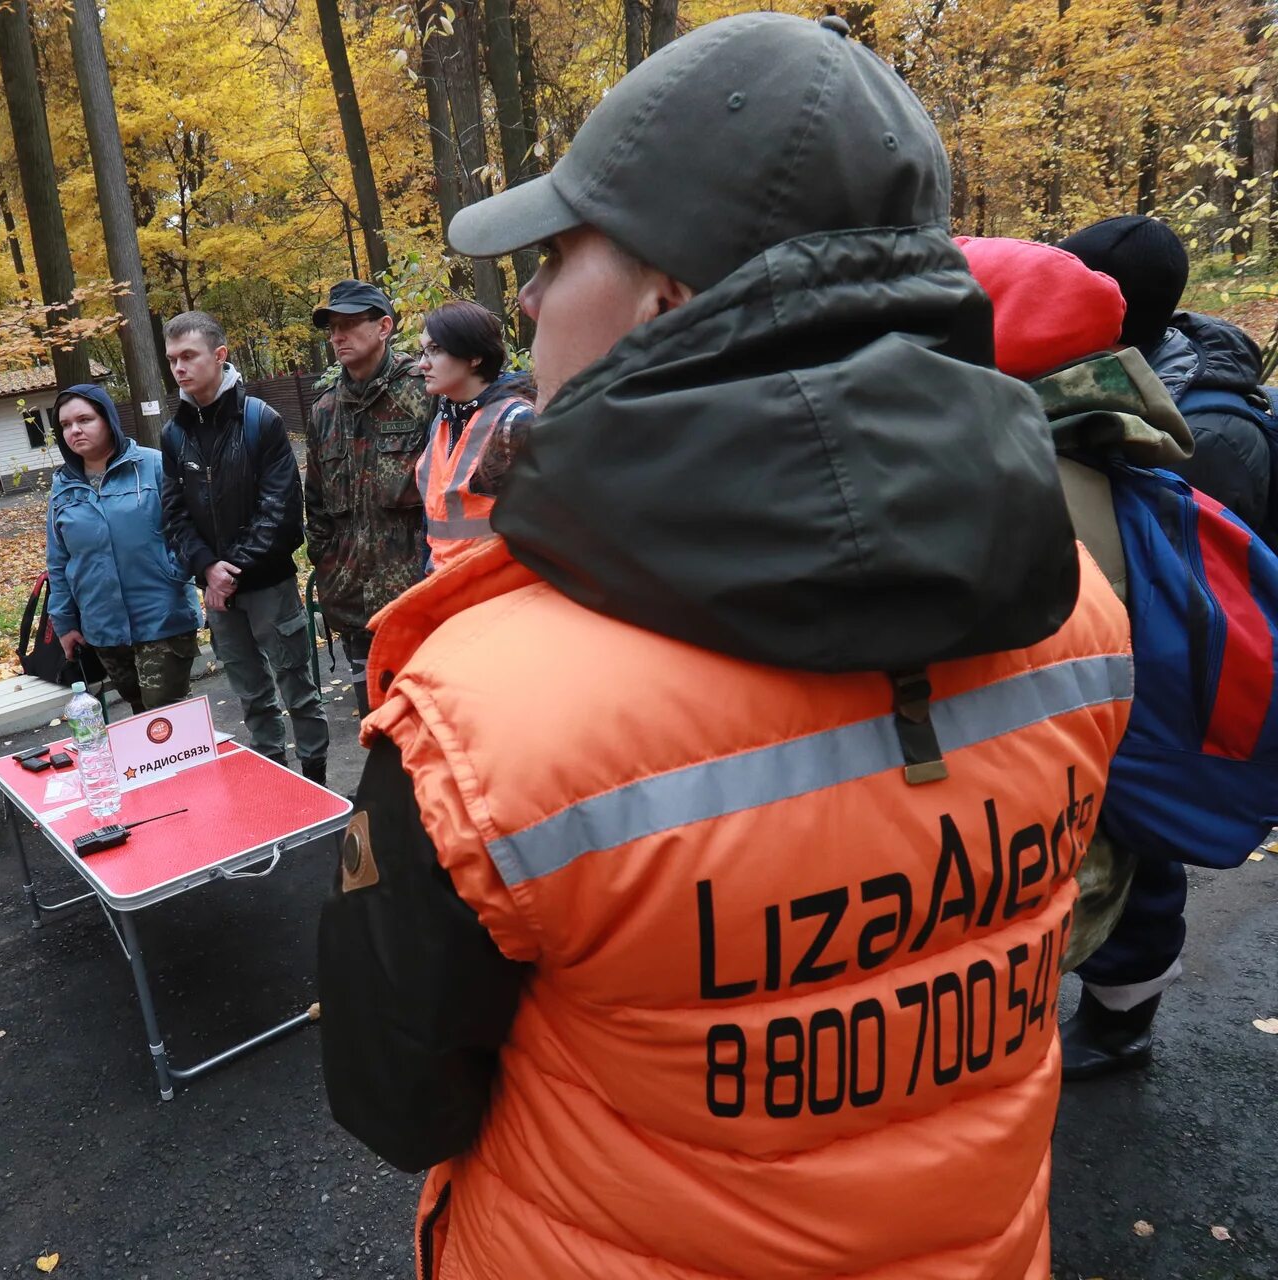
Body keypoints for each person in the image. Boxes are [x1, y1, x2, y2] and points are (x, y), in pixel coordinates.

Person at [317, 15, 1132, 1279]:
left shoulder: (483, 719)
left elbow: (398, 1097)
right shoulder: (1078, 603)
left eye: (557, 252)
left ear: (668, 296)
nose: (524, 297)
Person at [1052, 218, 1275, 1080]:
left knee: (1138, 838)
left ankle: (1122, 1021)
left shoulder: (1207, 435)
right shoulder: (1146, 380)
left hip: (1164, 671)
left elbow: (1189, 595)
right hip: (1134, 655)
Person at [159, 312, 328, 783]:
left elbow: (280, 512)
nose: (179, 368)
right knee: (251, 696)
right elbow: (174, 515)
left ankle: (318, 784)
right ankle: (276, 783)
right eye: (172, 359)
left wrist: (227, 569)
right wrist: (207, 568)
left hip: (268, 585)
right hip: (217, 594)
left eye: (188, 356)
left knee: (298, 688)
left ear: (219, 356)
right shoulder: (174, 434)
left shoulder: (261, 422)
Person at [1061, 215, 1273, 536]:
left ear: (1101, 314)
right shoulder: (1111, 373)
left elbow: (1180, 575)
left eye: (1059, 294)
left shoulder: (1202, 439)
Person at [305, 280, 433, 712]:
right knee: (377, 724)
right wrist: (327, 567)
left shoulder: (423, 393)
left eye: (349, 324)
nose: (337, 335)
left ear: (384, 327)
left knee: (432, 722)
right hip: (353, 601)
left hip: (419, 597)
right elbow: (317, 505)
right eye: (332, 327)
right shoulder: (324, 410)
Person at [45, 383, 201, 714]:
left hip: (162, 615)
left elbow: (189, 529)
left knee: (167, 716)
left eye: (84, 419)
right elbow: (59, 561)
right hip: (103, 627)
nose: (74, 430)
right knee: (140, 714)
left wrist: (175, 572)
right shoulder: (62, 488)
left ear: (108, 420)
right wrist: (64, 623)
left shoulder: (153, 466)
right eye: (65, 425)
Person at [413, 300, 534, 572]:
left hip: (494, 595)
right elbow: (433, 521)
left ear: (474, 356)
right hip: (445, 588)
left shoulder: (515, 422)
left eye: (434, 350)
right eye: (422, 351)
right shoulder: (444, 421)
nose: (422, 364)